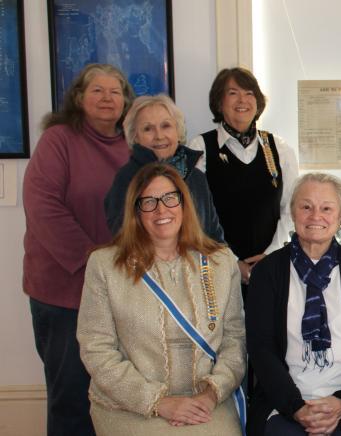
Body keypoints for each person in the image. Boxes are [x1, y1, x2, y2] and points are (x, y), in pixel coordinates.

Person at [77, 163, 246, 435]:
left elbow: (235, 340)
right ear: (135, 211)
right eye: (149, 202)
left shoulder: (220, 262)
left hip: (206, 402)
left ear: (184, 203)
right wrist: (158, 402)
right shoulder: (105, 265)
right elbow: (96, 349)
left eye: (170, 198)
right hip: (129, 405)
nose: (161, 210)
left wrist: (212, 394)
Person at [22, 63, 135, 436]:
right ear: (79, 98)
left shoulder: (134, 145)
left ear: (126, 101)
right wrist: (95, 261)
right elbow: (44, 209)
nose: (107, 98)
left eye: (115, 91)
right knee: (71, 395)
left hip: (121, 292)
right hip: (64, 293)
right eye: (97, 90)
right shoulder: (58, 140)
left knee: (120, 393)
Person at [246, 173, 341, 436]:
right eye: (306, 207)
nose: (316, 216)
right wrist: (297, 407)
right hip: (285, 402)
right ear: (292, 213)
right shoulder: (268, 272)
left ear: (340, 218)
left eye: (326, 208)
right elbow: (261, 348)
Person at [187, 67, 298, 286]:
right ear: (219, 102)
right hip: (216, 267)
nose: (242, 100)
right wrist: (232, 261)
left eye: (249, 93)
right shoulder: (200, 147)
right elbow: (196, 214)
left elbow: (291, 208)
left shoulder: (279, 148)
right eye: (233, 93)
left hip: (272, 266)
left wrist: (271, 255)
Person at [105, 94, 224, 242]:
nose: (159, 136)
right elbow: (123, 238)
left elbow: (213, 235)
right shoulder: (127, 178)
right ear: (135, 137)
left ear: (178, 130)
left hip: (198, 264)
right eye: (148, 129)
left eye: (166, 126)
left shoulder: (196, 177)